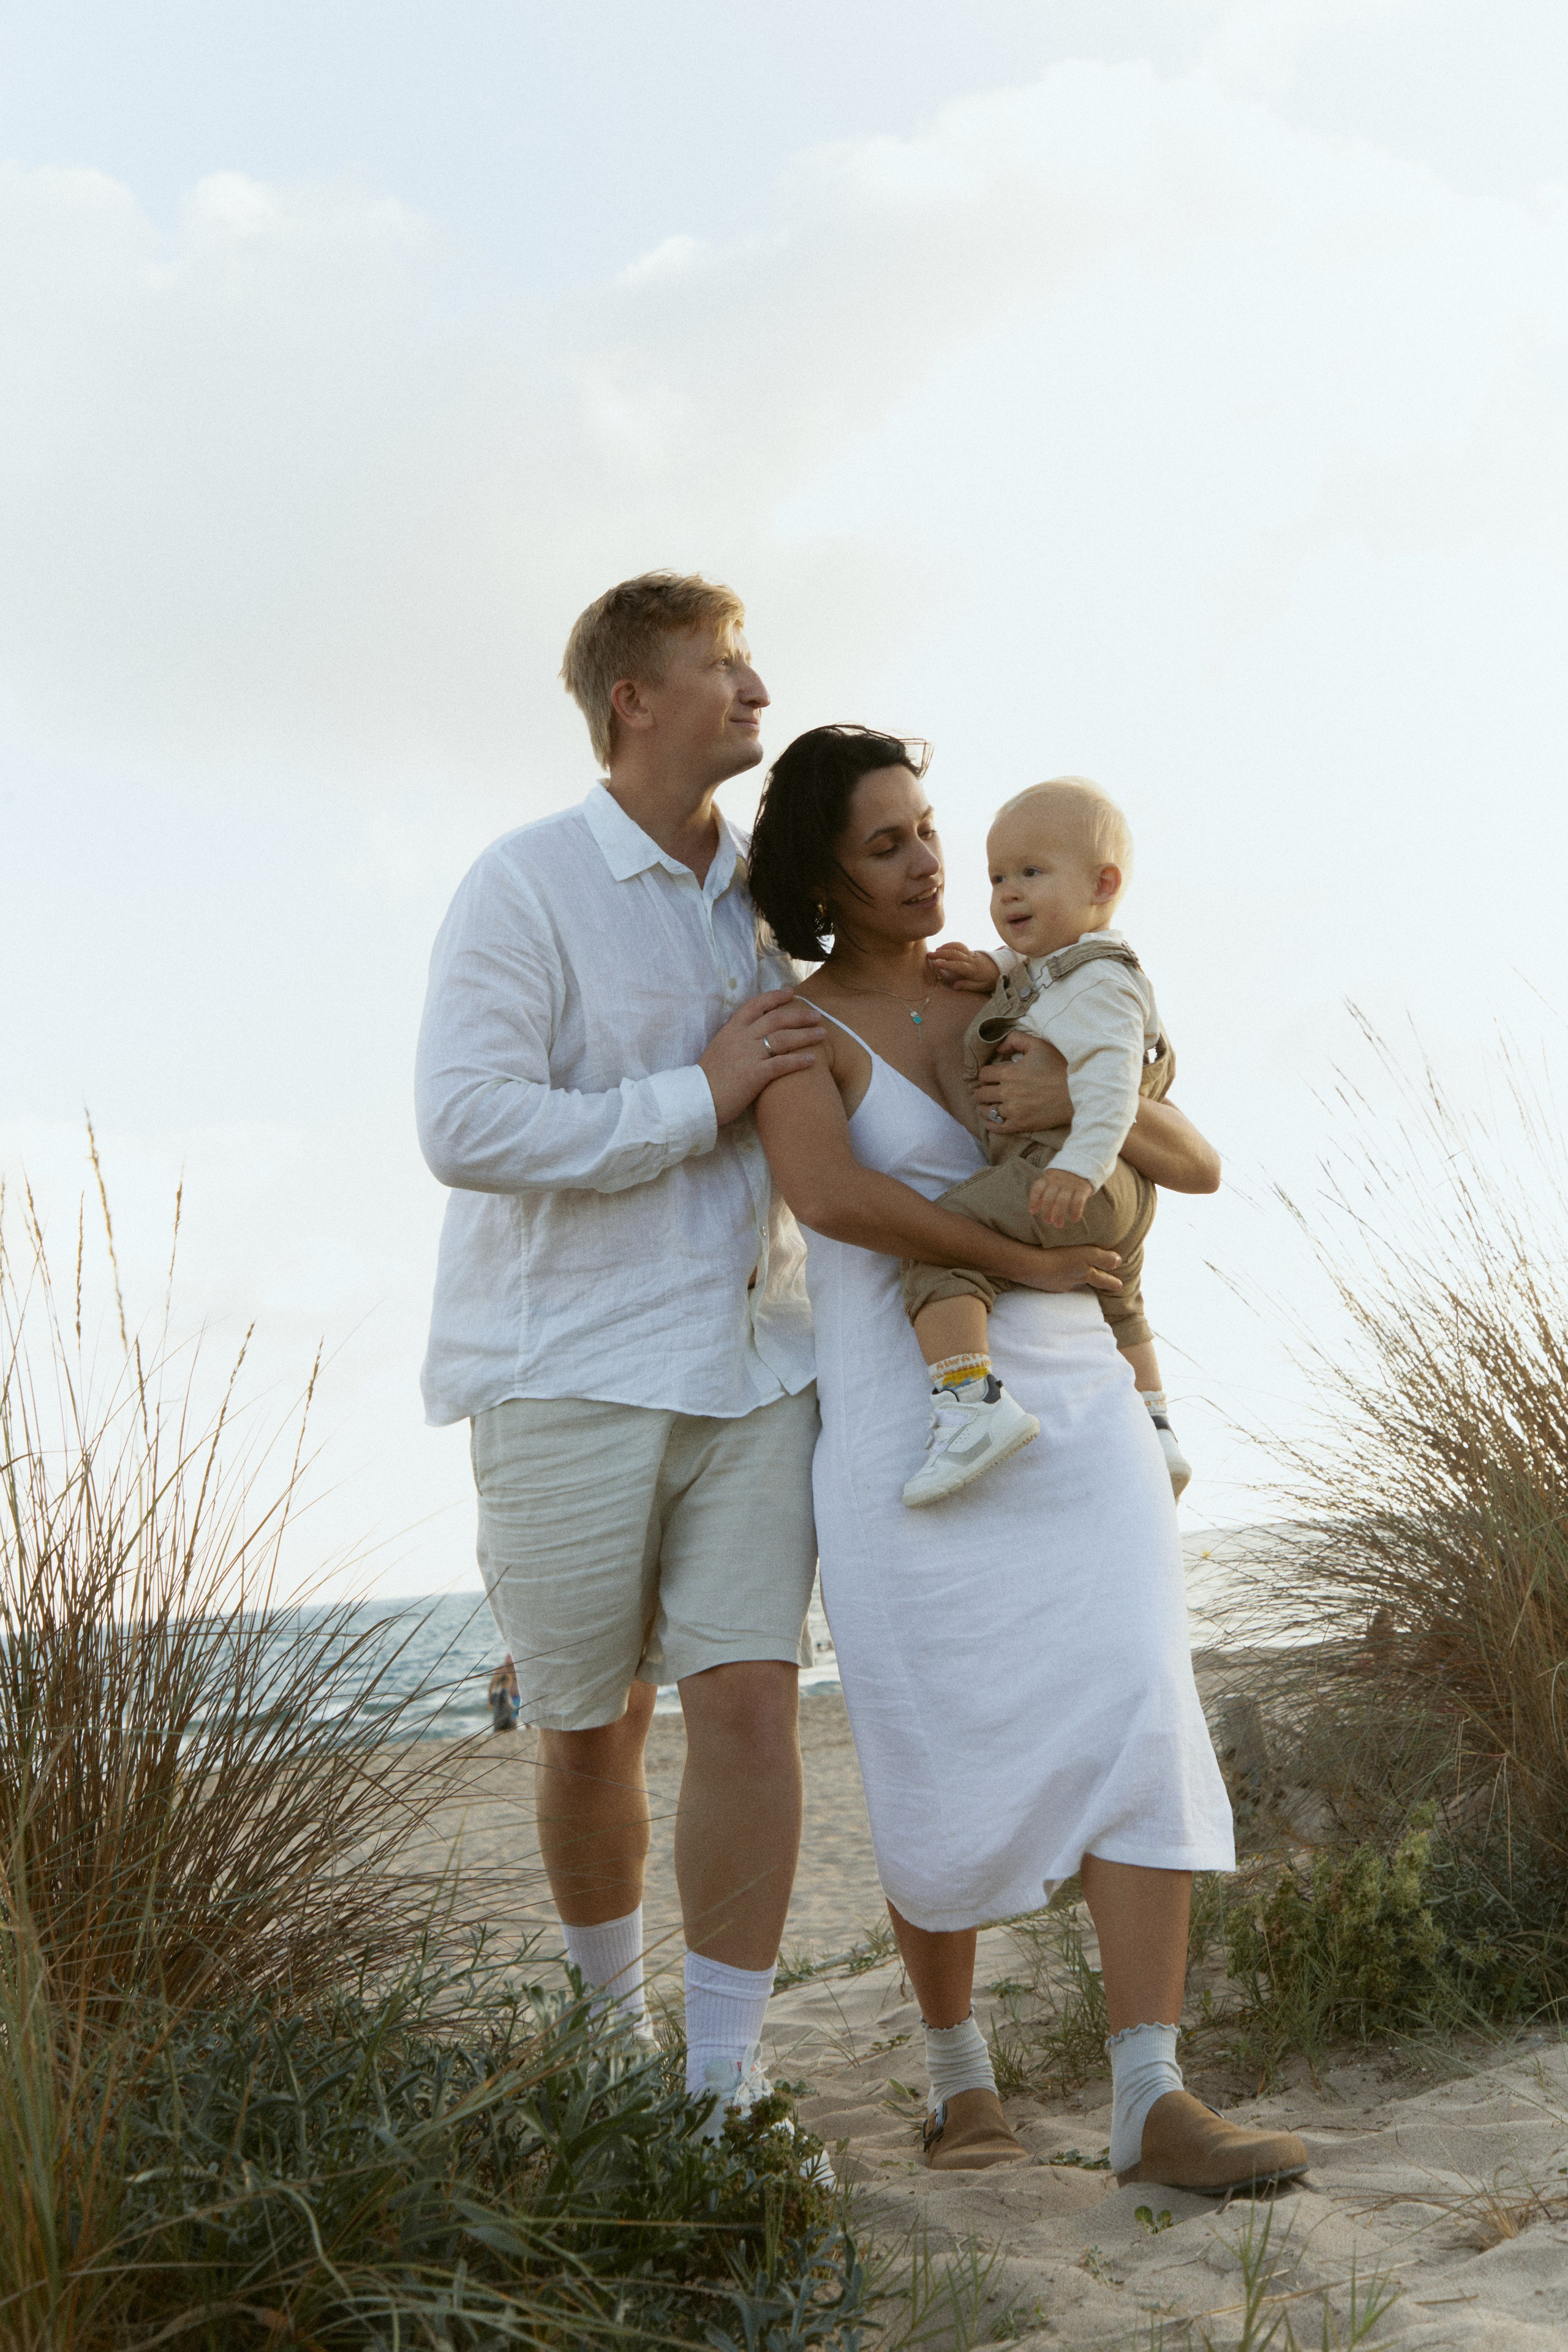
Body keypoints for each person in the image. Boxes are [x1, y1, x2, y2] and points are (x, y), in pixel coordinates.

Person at [746, 725, 1309, 2192]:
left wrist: (1066, 1103)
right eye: (887, 844)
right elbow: (831, 1196)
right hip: (909, 1414)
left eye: (928, 829)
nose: (931, 863)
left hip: (1075, 1406)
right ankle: (956, 2077)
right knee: (925, 1731)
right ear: (820, 872)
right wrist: (1018, 1256)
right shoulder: (794, 1026)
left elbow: (1186, 1160)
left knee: (1137, 1699)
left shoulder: (1018, 987)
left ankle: (1147, 2091)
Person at [415, 571, 829, 2129]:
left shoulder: (775, 899)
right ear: (628, 703)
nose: (756, 688)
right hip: (562, 1366)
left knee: (748, 1702)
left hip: (755, 1363)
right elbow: (463, 1123)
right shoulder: (520, 882)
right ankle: (611, 2041)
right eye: (724, 665)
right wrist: (696, 1095)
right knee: (590, 1725)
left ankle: (722, 2087)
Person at [897, 774, 1193, 1507]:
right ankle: (1155, 1426)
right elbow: (1037, 974)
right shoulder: (1066, 967)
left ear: (1103, 883)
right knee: (1121, 1298)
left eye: (1031, 873)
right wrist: (989, 966)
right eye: (997, 877)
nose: (1006, 893)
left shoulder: (1104, 986)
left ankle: (969, 1405)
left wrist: (1077, 1167)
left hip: (1071, 1172)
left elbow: (1112, 1086)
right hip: (1121, 1193)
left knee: (940, 1240)